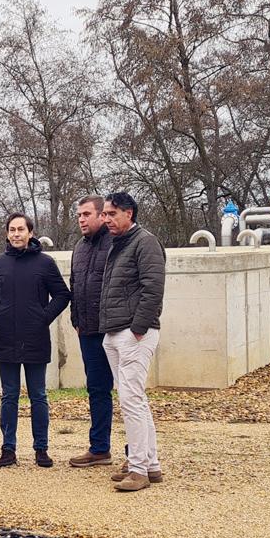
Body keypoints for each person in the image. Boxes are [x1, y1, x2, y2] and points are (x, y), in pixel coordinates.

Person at [0, 213, 72, 468]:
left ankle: (41, 448)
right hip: (5, 339)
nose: (16, 234)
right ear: (7, 234)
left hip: (35, 338)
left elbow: (62, 295)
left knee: (38, 395)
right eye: (12, 230)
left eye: (21, 229)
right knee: (9, 396)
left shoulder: (45, 263)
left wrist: (43, 317)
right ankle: (8, 448)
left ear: (30, 232)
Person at [96, 192, 167, 492]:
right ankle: (150, 465)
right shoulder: (119, 244)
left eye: (112, 214)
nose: (106, 219)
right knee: (134, 398)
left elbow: (153, 288)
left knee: (132, 400)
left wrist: (138, 329)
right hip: (115, 331)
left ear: (129, 213)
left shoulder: (145, 242)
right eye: (105, 214)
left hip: (133, 332)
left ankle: (137, 469)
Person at [67, 195, 118, 469]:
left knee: (128, 391)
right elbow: (76, 285)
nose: (82, 219)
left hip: (115, 329)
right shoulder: (80, 247)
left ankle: (136, 451)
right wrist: (76, 318)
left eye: (87, 214)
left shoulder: (117, 243)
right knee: (97, 390)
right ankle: (100, 448)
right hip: (87, 330)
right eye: (79, 215)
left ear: (102, 216)